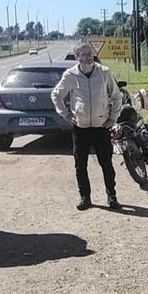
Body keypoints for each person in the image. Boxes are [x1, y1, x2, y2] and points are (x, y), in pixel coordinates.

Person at [51, 44, 125, 210]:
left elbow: (116, 96)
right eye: (82, 55)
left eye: (89, 54)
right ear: (77, 57)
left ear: (93, 54)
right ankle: (85, 197)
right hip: (81, 128)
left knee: (106, 163)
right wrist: (66, 115)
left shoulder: (104, 72)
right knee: (80, 165)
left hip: (101, 127)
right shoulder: (70, 75)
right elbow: (56, 95)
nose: (86, 57)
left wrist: (113, 118)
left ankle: (112, 196)